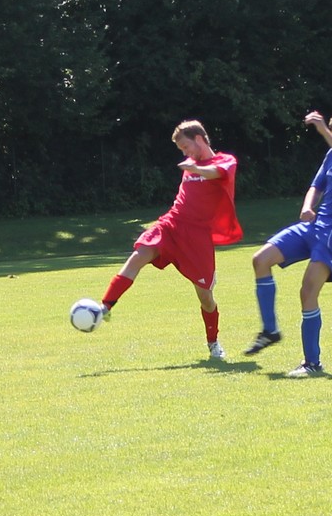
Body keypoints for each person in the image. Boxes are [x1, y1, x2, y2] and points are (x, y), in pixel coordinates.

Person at [243, 108, 332, 377]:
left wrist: (323, 132)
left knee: (308, 292)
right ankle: (270, 330)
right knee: (260, 260)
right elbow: (316, 185)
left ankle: (312, 363)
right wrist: (308, 206)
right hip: (314, 225)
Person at [94, 120, 243, 359]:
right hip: (171, 225)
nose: (184, 153)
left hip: (197, 237)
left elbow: (216, 173)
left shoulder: (225, 161)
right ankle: (105, 307)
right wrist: (192, 166)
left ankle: (213, 342)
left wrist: (196, 169)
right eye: (182, 150)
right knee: (138, 255)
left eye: (185, 147)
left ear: (199, 139)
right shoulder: (190, 165)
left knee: (205, 297)